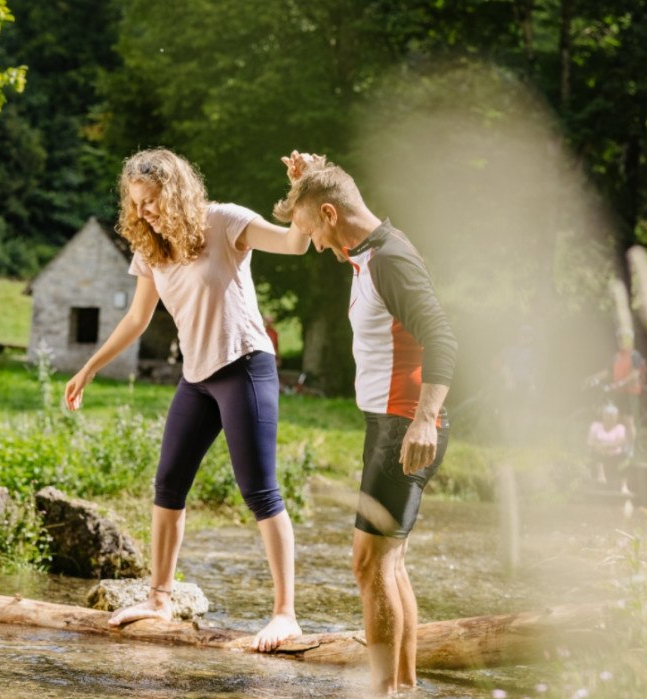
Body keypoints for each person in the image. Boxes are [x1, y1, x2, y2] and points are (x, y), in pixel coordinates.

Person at [63, 148, 311, 652]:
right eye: (136, 204)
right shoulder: (151, 248)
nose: (144, 212)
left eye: (151, 201)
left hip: (244, 366)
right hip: (197, 376)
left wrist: (303, 189)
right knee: (168, 485)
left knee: (260, 490)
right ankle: (159, 597)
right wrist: (89, 367)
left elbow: (295, 243)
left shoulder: (225, 222)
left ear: (174, 191)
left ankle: (285, 614)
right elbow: (137, 319)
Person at [273, 154, 457, 694]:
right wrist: (304, 181)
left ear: (331, 214)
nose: (318, 246)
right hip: (390, 424)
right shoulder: (372, 249)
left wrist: (424, 420)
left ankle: (382, 692)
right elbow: (328, 195)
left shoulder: (390, 259)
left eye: (313, 230)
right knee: (389, 564)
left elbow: (443, 337)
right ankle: (402, 688)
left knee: (367, 565)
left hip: (406, 426)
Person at [587, 403, 629, 490]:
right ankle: (601, 475)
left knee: (625, 458)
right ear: (603, 416)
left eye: (612, 416)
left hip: (614, 455)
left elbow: (619, 442)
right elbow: (589, 441)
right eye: (607, 415)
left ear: (616, 417)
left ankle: (624, 486)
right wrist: (598, 446)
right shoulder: (596, 425)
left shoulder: (620, 428)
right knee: (596, 451)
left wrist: (603, 445)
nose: (610, 418)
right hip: (599, 454)